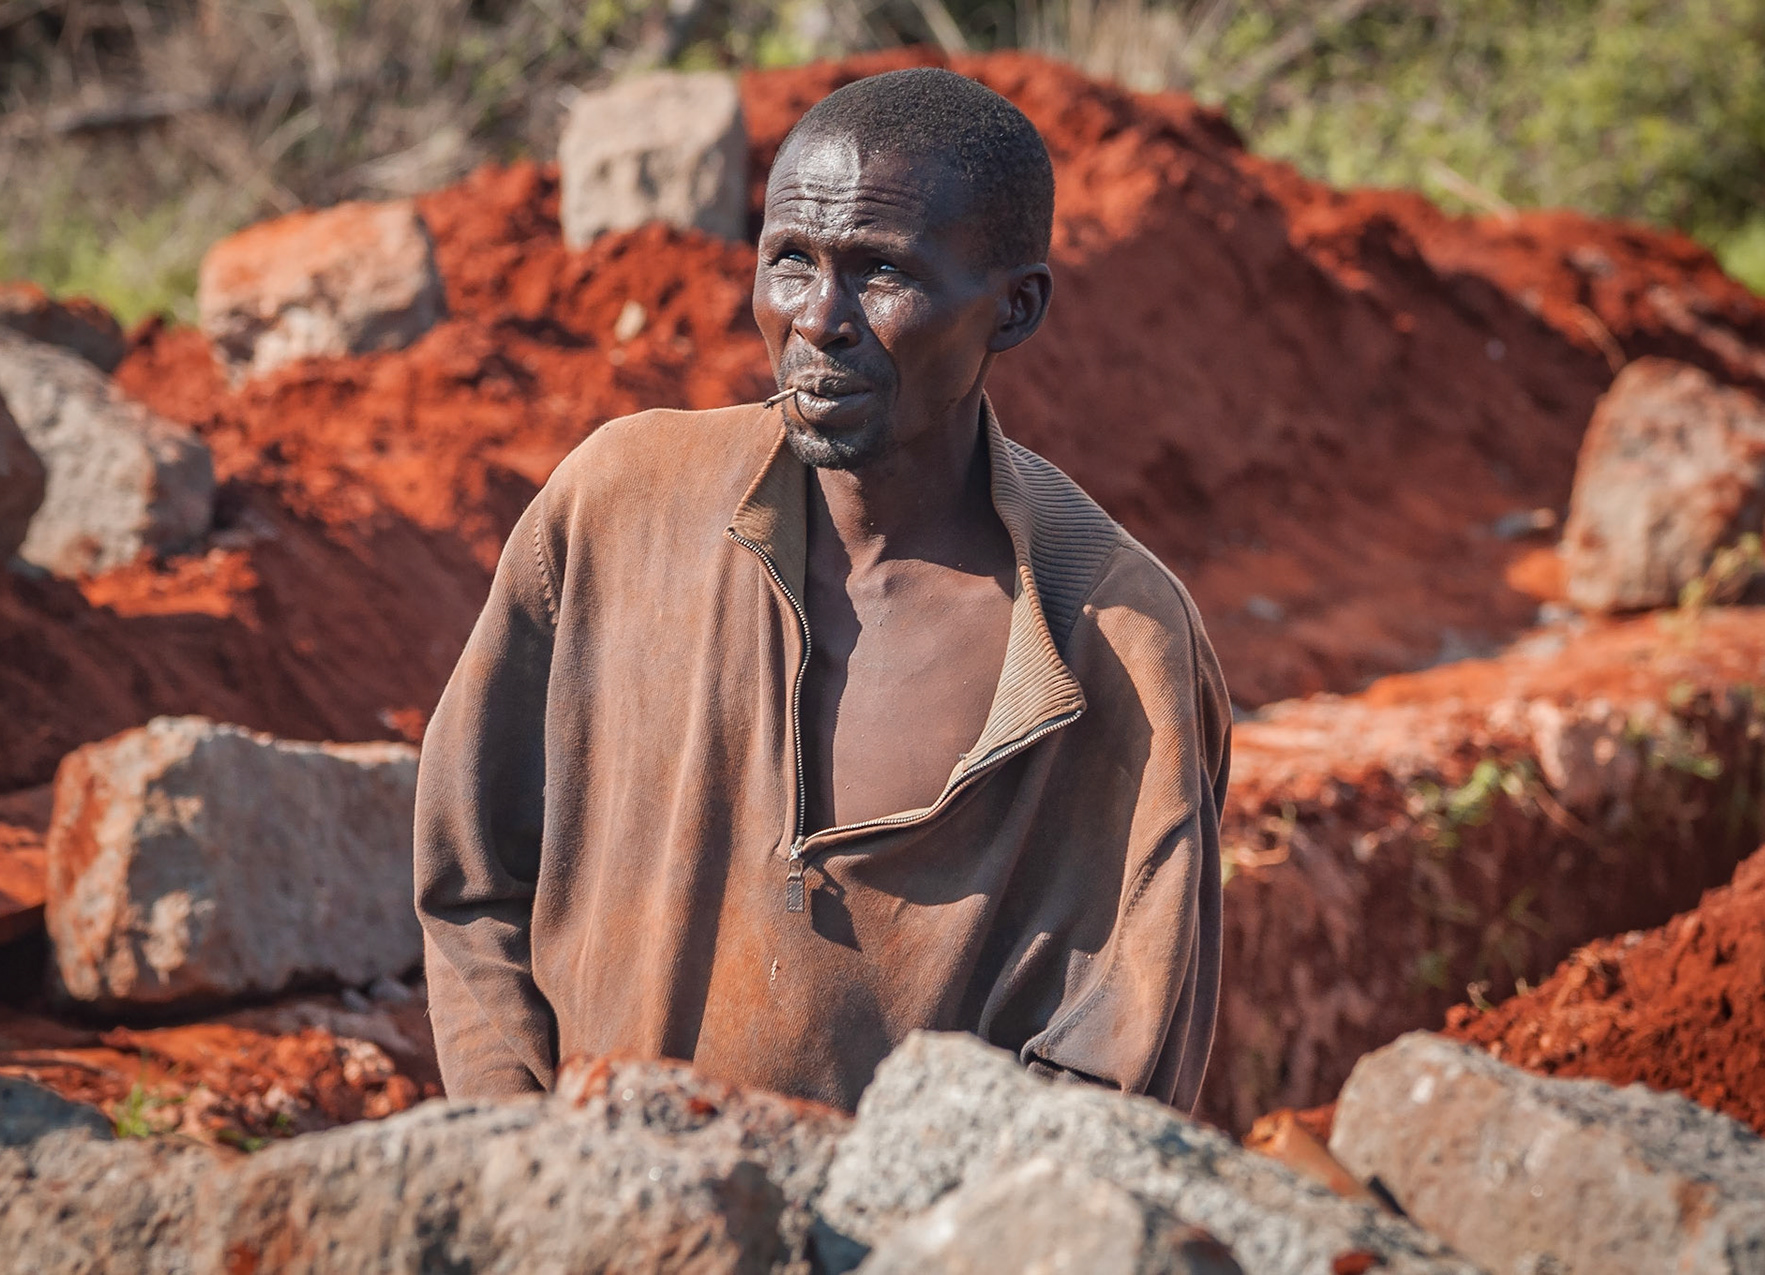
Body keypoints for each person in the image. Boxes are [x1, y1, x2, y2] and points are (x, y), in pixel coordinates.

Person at [414, 66, 1231, 1112]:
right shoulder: (620, 509)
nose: (818, 318)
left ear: (1014, 309)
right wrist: (526, 1167)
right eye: (789, 261)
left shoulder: (1113, 642)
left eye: (881, 272)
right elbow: (472, 884)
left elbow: (1116, 1071)